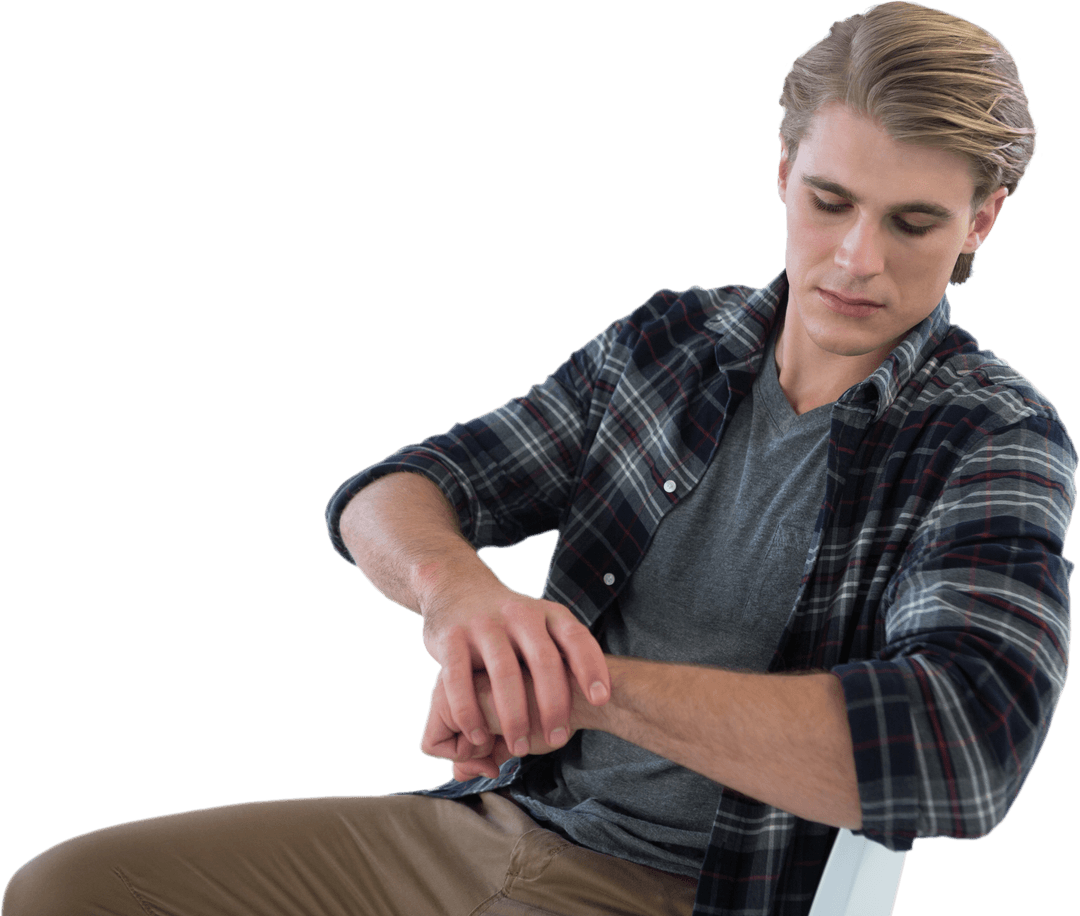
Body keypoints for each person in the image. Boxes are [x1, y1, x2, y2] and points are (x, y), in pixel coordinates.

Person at [4, 2, 1074, 915]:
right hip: (496, 825)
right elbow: (401, 485)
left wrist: (581, 686)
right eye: (831, 201)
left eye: (913, 223)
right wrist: (460, 597)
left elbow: (966, 745)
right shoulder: (671, 343)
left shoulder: (992, 435)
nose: (855, 258)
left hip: (694, 890)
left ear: (984, 218)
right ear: (785, 168)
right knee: (71, 888)